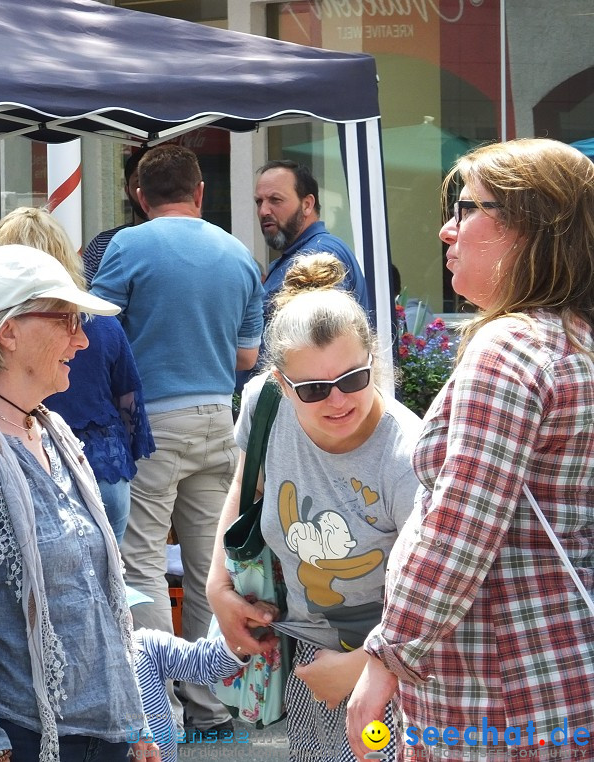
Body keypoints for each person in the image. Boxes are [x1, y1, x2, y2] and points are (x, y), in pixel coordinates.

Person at [347, 139, 594, 760]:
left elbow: (461, 525)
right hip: (559, 665)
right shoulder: (575, 343)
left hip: (497, 680)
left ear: (529, 229)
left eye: (466, 209)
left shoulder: (509, 346)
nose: (446, 229)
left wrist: (387, 657)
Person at [0, 244, 159, 762]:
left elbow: (99, 601)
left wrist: (135, 727)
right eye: (66, 321)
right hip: (24, 739)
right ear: (9, 331)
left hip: (103, 736)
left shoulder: (52, 429)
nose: (83, 339)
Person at [208, 252, 422, 762]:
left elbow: (438, 591)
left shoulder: (407, 455)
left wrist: (364, 669)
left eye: (353, 378)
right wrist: (218, 588)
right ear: (281, 385)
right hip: (304, 653)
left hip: (396, 670)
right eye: (313, 389)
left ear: (374, 359)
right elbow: (244, 490)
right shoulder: (265, 405)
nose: (338, 401)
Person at [91, 144, 264, 735]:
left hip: (149, 425)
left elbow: (98, 333)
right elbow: (247, 355)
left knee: (139, 566)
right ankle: (211, 709)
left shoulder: (126, 247)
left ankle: (154, 714)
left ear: (139, 197)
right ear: (200, 192)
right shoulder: (239, 253)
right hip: (220, 418)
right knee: (208, 569)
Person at [0, 206, 154, 541]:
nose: (75, 340)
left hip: (34, 468)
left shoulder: (5, 330)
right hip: (104, 466)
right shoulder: (104, 322)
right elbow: (129, 400)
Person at [125, 587, 247, 762]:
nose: (125, 617)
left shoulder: (148, 645)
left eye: (124, 608)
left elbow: (205, 662)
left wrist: (238, 643)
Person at [255, 160, 369, 320]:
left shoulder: (318, 255)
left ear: (307, 204)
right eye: (259, 202)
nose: (263, 210)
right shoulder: (302, 254)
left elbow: (322, 337)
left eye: (275, 199)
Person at [82, 145, 147, 287]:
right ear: (126, 189)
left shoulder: (196, 243)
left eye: (156, 182)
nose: (148, 190)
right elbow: (84, 300)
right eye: (140, 182)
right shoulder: (102, 245)